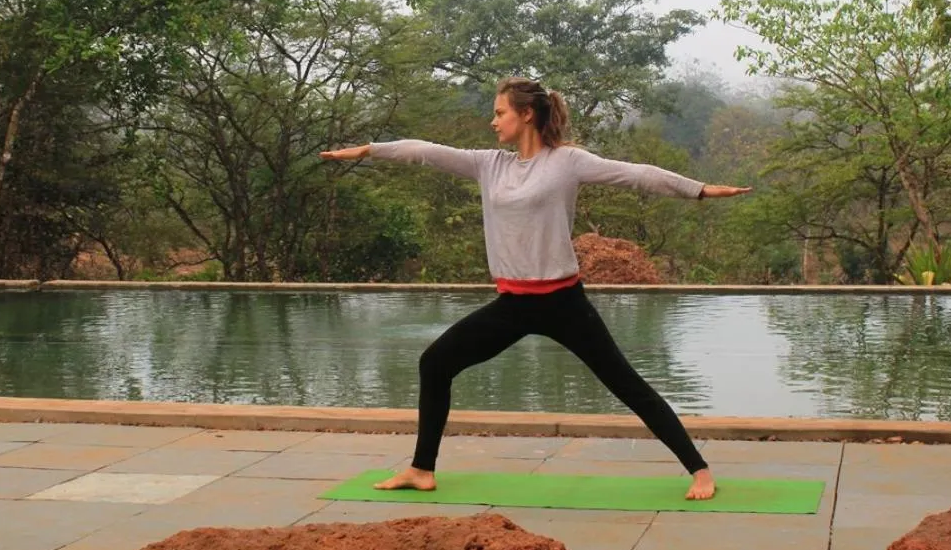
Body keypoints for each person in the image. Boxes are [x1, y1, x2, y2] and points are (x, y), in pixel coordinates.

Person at [320, 77, 752, 500]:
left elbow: (636, 175)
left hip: (564, 302)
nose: (494, 122)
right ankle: (421, 469)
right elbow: (425, 152)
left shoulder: (567, 162)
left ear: (526, 115)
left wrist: (698, 190)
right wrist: (369, 150)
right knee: (435, 363)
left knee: (626, 384)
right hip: (513, 304)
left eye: (500, 112)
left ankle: (699, 470)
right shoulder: (489, 164)